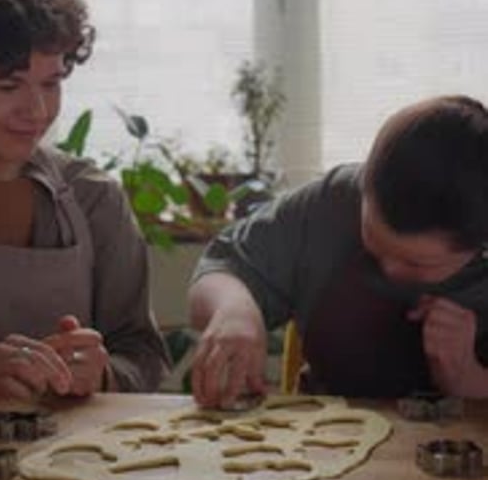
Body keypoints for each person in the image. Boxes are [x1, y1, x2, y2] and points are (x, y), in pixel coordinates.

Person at [189, 95, 488, 408]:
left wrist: (467, 378)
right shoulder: (331, 203)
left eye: (415, 263)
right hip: (326, 434)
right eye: (374, 240)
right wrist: (234, 311)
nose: (388, 269)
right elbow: (222, 265)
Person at [0, 0, 168, 410]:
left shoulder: (92, 198)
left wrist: (104, 373)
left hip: (68, 472)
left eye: (50, 84)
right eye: (9, 87)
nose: (37, 110)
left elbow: (143, 355)